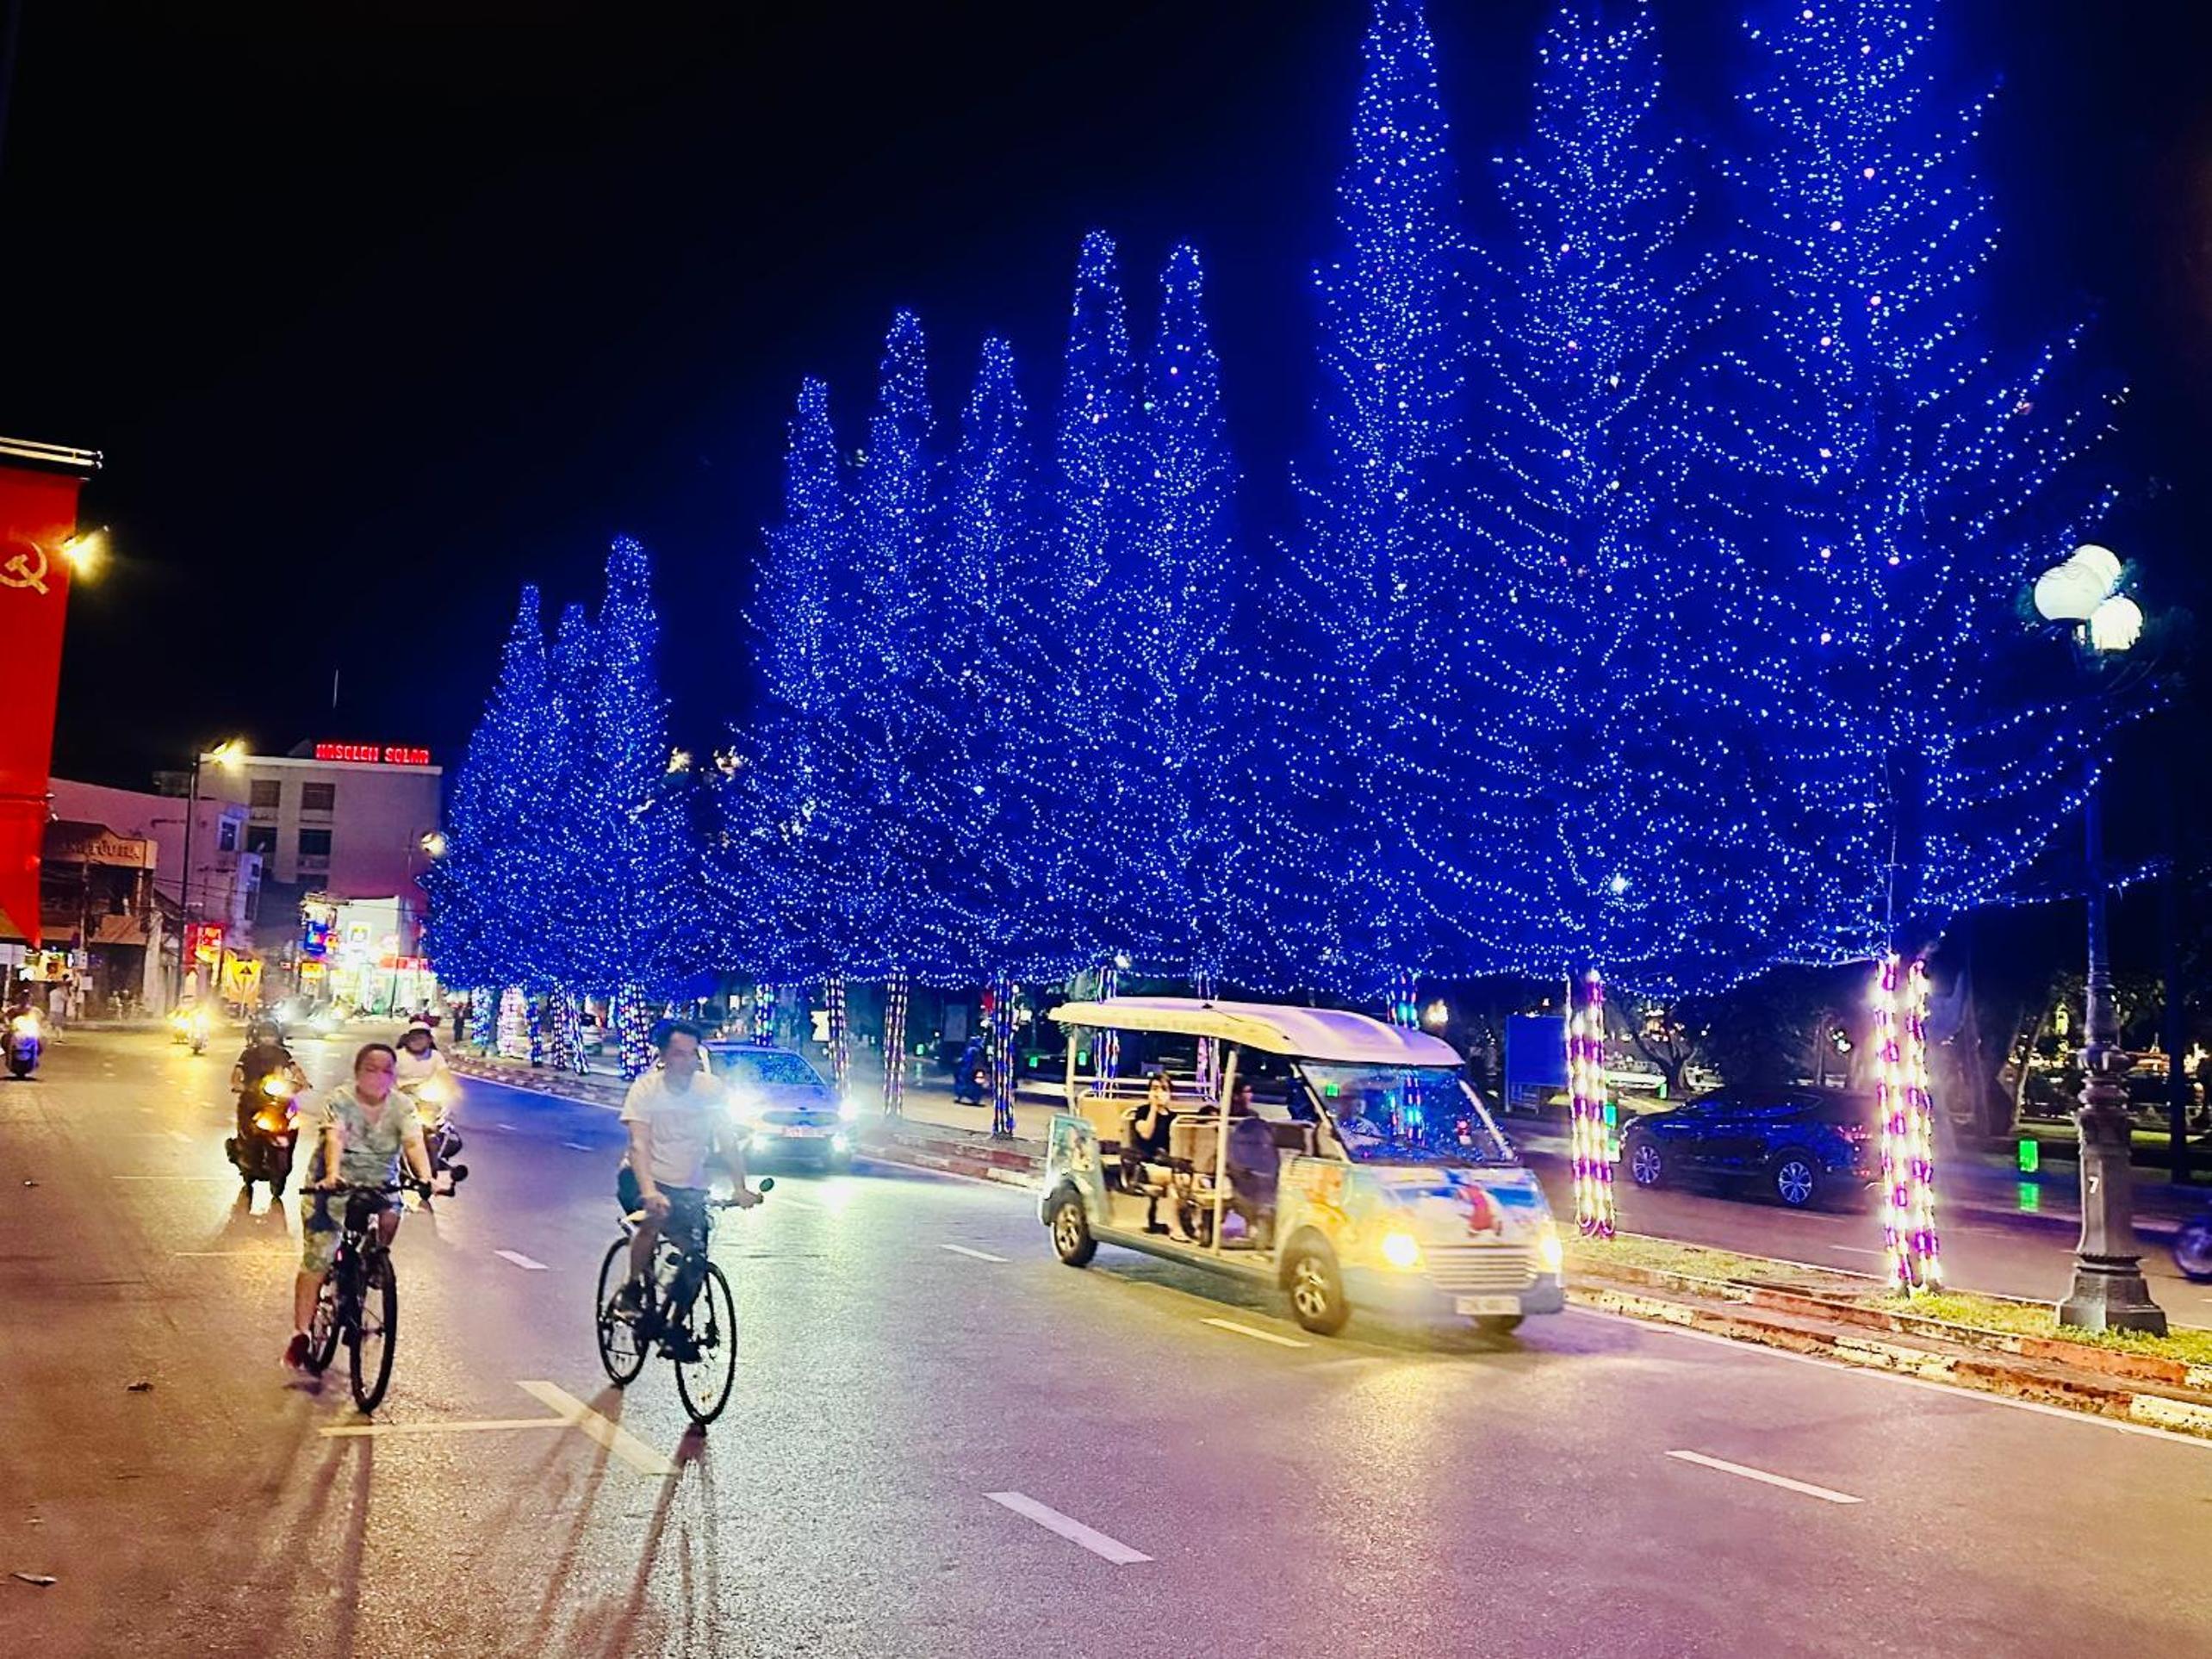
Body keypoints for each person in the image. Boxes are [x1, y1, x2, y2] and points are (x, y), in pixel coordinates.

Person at [284, 1042, 447, 1372]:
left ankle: (373, 1264)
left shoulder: (402, 1106)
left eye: (386, 1070)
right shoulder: (341, 1100)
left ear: (393, 1076)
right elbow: (335, 1138)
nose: (378, 1077)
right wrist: (332, 1174)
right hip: (332, 1187)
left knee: (390, 1217)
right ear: (358, 1072)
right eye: (370, 1069)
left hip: (379, 1183)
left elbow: (413, 1142)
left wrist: (426, 1177)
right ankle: (302, 1332)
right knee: (319, 1257)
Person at [615, 1020, 760, 1325]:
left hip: (689, 1183)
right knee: (653, 1221)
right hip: (643, 1177)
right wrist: (649, 1192)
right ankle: (631, 1289)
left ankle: (675, 1326)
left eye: (693, 1054)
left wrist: (740, 1187)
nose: (688, 1062)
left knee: (696, 1256)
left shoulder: (710, 1089)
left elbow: (727, 1140)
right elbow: (639, 1145)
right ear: (663, 1056)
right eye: (679, 1054)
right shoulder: (646, 1090)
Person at [230, 1019, 308, 1141]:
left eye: (271, 1035)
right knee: (245, 1111)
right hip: (253, 1093)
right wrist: (238, 1084)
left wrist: (303, 1082)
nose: (267, 1039)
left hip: (276, 1094)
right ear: (258, 1037)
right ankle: (243, 1139)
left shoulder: (282, 1053)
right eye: (264, 1035)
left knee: (291, 1114)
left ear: (277, 1037)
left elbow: (294, 1069)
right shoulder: (249, 1053)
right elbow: (237, 1071)